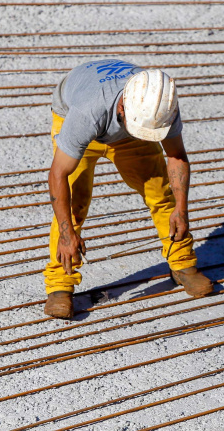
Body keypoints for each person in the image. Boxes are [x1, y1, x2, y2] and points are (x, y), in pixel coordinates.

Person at [43, 59, 213, 319]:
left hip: (125, 128)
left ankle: (182, 264)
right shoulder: (88, 110)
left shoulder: (161, 104)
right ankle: (59, 285)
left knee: (160, 192)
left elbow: (177, 156)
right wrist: (67, 234)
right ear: (123, 106)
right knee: (73, 204)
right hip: (73, 115)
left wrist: (181, 209)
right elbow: (58, 174)